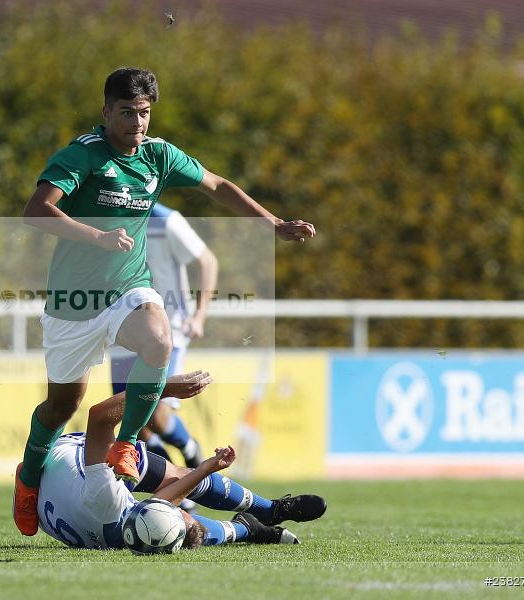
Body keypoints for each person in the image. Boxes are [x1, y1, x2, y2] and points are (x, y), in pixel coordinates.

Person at [16, 66, 316, 536]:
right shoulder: (83, 155)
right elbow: (36, 211)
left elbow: (216, 185)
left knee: (159, 339)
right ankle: (27, 478)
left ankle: (128, 444)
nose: (138, 123)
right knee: (61, 408)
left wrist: (272, 224)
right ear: (105, 112)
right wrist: (96, 234)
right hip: (74, 303)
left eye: (144, 112)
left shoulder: (158, 156)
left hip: (128, 288)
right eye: (127, 113)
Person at [36, 370, 327, 550]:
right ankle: (250, 528)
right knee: (184, 524)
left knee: (176, 474)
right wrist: (206, 467)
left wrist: (164, 388)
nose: (186, 518)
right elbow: (165, 511)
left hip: (72, 453)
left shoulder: (105, 498)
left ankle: (270, 510)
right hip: (55, 497)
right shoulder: (126, 537)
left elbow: (98, 416)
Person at [111, 202, 217, 473]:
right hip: (124, 330)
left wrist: (200, 316)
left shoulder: (166, 220)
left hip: (169, 328)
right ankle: (179, 488)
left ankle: (189, 447)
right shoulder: (102, 215)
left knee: (155, 414)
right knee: (132, 419)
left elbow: (208, 261)